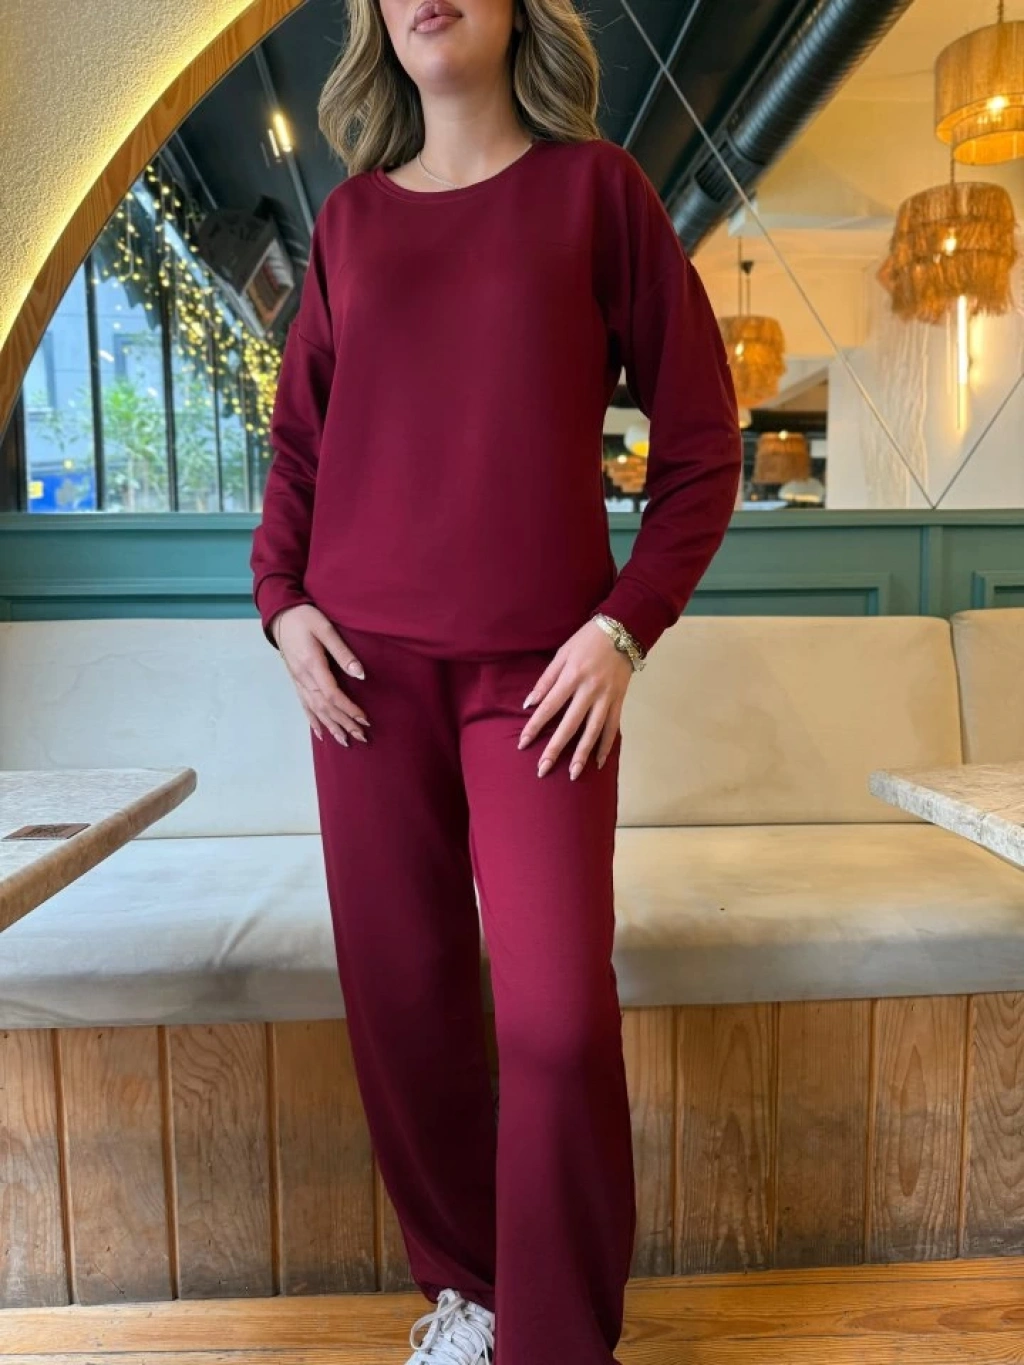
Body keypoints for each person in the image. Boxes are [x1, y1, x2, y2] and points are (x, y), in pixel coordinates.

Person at [249, 1, 741, 1361]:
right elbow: (298, 451)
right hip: (362, 683)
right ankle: (469, 1296)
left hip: (542, 684)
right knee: (404, 1009)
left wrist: (623, 631)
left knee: (557, 1020)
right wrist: (282, 608)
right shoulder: (351, 223)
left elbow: (703, 448)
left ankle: (561, 1342)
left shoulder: (598, 194)